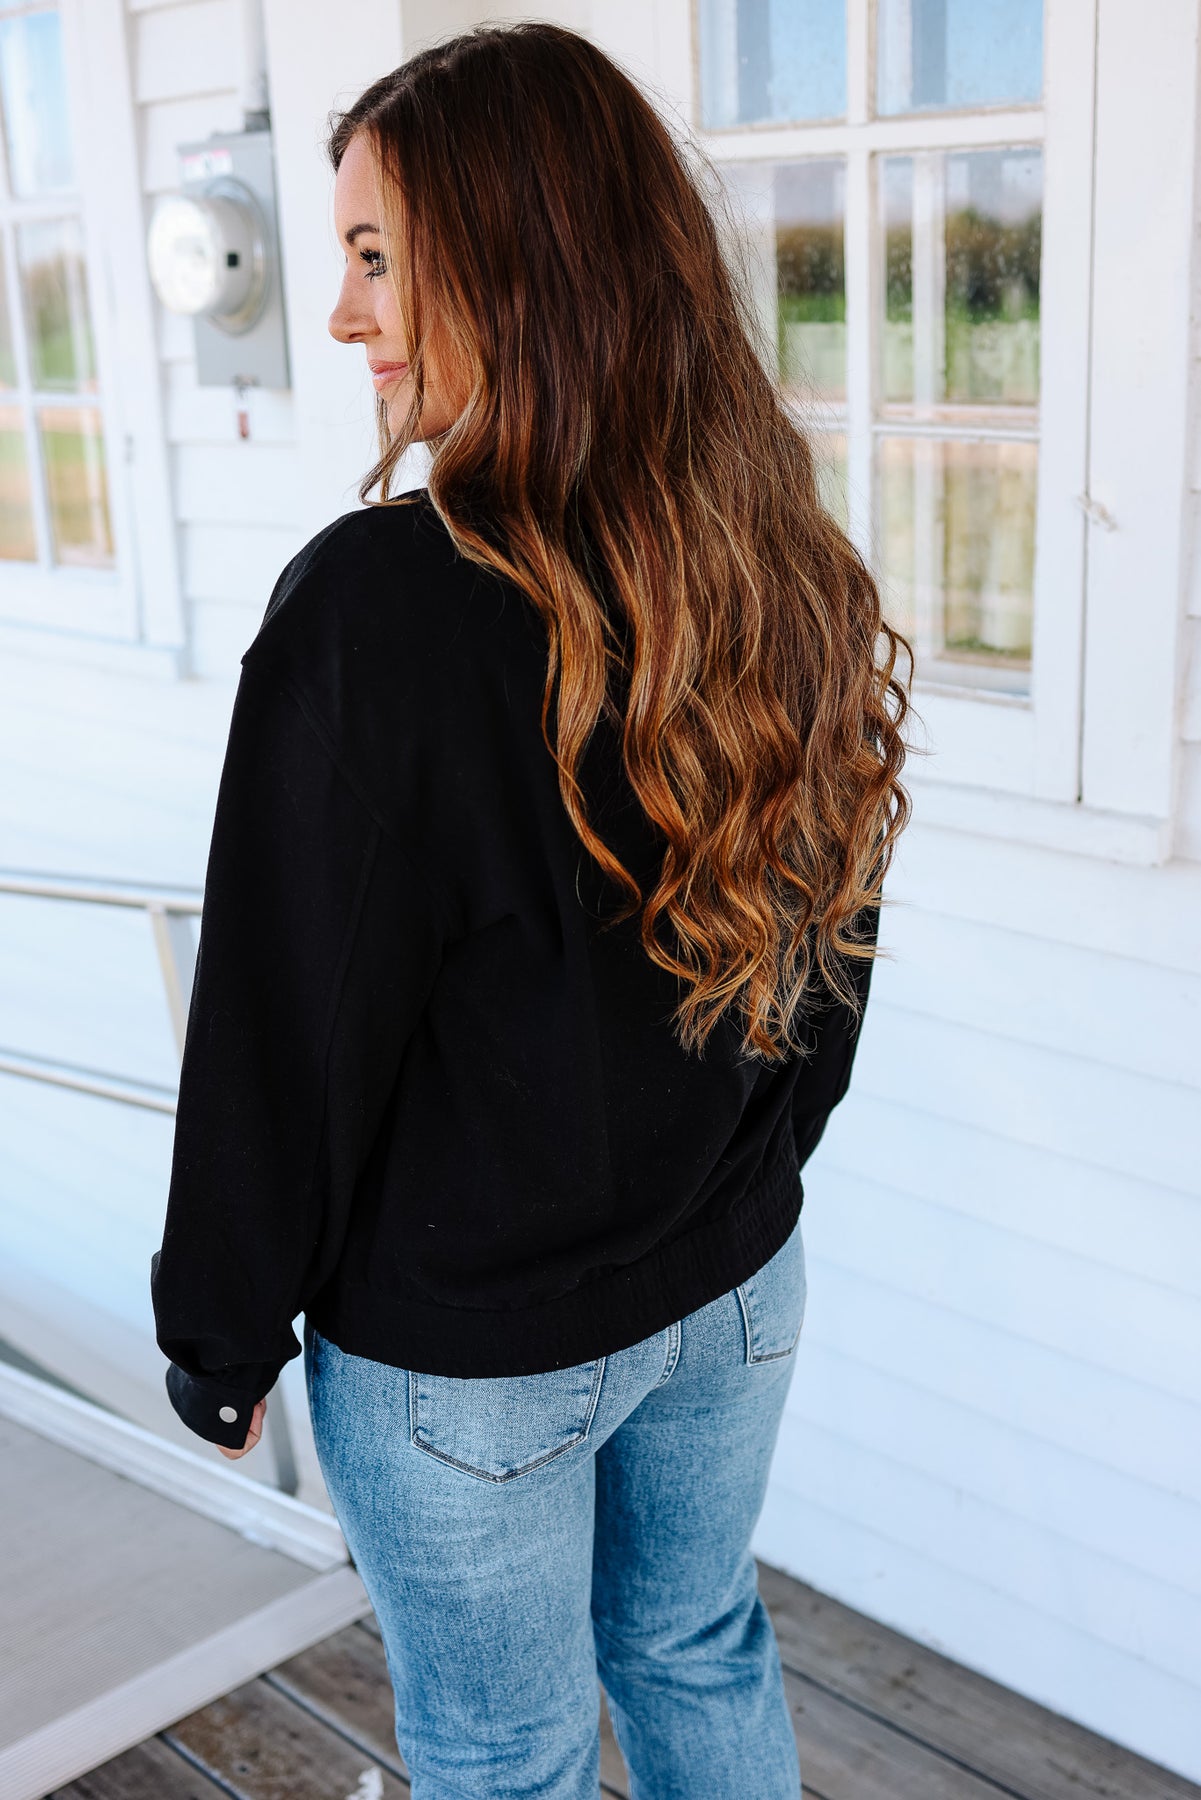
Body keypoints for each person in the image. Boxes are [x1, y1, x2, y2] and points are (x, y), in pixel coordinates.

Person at [149, 20, 913, 1799]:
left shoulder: (377, 611)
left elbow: (285, 1022)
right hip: (734, 1290)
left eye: (374, 257)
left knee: (505, 1753)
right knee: (697, 1642)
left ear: (519, 260)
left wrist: (218, 1336)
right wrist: (748, 1173)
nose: (344, 316)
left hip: (473, 1359)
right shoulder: (768, 554)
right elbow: (834, 931)